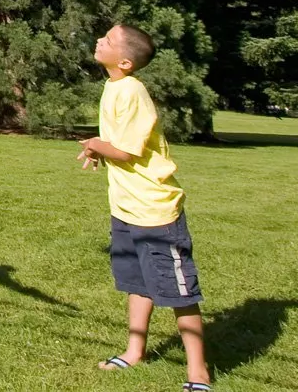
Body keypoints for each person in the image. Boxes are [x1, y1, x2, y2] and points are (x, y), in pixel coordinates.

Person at [78, 24, 211, 391]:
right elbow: (118, 144)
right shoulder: (114, 86)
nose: (98, 41)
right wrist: (98, 148)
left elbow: (128, 150)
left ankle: (198, 371)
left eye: (106, 40)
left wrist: (94, 144)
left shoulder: (133, 91)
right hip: (126, 209)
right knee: (137, 284)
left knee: (179, 292)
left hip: (155, 212)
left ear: (124, 60)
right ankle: (135, 351)